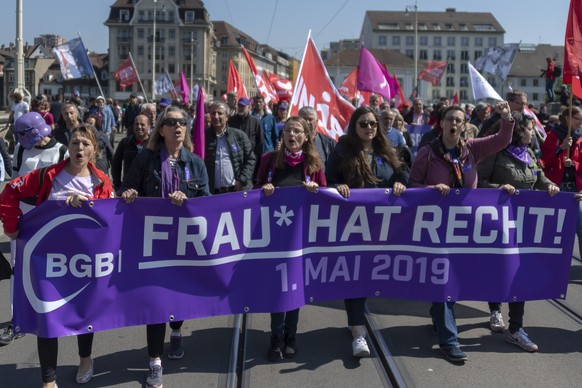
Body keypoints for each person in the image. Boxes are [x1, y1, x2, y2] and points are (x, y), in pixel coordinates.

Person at [0, 124, 113, 387]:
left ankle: (85, 359)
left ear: (93, 150)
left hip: (85, 263)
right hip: (49, 263)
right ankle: (48, 380)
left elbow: (109, 222)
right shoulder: (48, 176)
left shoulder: (102, 181)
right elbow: (9, 193)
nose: (79, 148)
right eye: (75, 143)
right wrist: (12, 228)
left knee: (85, 315)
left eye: (85, 144)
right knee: (47, 316)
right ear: (68, 148)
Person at [409, 102, 514, 363]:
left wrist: (506, 118)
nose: (454, 124)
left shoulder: (471, 149)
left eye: (459, 120)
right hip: (436, 227)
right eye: (450, 120)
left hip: (465, 227)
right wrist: (432, 190)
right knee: (445, 280)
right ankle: (449, 340)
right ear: (441, 123)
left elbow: (501, 140)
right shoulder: (428, 152)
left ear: (464, 125)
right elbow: (413, 184)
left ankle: (439, 319)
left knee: (451, 277)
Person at [120, 105, 210, 388]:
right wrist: (129, 193)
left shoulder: (195, 162)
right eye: (171, 122)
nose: (177, 126)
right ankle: (154, 362)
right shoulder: (145, 159)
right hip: (152, 245)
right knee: (156, 304)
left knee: (179, 299)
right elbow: (124, 188)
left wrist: (191, 201)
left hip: (183, 244)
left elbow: (207, 202)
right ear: (161, 130)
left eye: (182, 122)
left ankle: (178, 329)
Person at [325, 106, 408, 358]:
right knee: (356, 276)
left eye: (373, 123)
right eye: (364, 124)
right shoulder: (342, 151)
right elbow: (328, 180)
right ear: (354, 126)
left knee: (377, 274)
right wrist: (338, 186)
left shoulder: (387, 149)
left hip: (384, 227)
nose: (370, 128)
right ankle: (358, 332)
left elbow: (402, 170)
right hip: (354, 225)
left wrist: (400, 181)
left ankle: (356, 322)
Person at [477, 113, 559, 352]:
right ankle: (494, 310)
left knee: (518, 275)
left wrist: (550, 187)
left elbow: (539, 178)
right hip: (499, 224)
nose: (533, 133)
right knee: (498, 270)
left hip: (524, 226)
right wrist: (499, 188)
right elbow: (477, 183)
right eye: (530, 130)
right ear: (518, 132)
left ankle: (516, 328)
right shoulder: (495, 153)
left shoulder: (530, 155)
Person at [255, 116, 326, 361]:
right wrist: (264, 189)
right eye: (288, 131)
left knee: (295, 287)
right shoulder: (269, 160)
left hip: (301, 239)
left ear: (306, 137)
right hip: (275, 238)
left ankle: (291, 337)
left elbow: (325, 200)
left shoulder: (314, 164)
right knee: (278, 287)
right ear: (282, 136)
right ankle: (275, 338)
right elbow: (253, 195)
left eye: (297, 132)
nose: (292, 136)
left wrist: (316, 193)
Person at [540, 106, 582, 257]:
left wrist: (575, 164)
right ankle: (556, 264)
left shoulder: (580, 138)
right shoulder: (553, 136)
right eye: (577, 118)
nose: (580, 122)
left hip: (577, 190)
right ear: (567, 118)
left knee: (580, 227)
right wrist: (562, 148)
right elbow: (543, 162)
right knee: (558, 230)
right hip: (557, 189)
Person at [204, 101, 256, 194]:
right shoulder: (203, 137)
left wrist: (242, 180)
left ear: (227, 116)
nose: (216, 116)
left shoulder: (239, 136)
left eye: (220, 113)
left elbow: (251, 159)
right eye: (213, 113)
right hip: (212, 193)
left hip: (236, 191)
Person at [111, 114, 151, 194]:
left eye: (142, 124)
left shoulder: (154, 144)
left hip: (149, 190)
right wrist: (118, 187)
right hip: (128, 190)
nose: (139, 127)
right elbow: (116, 165)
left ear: (149, 126)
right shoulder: (125, 142)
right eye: (136, 124)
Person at [228, 97, 263, 165]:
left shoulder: (255, 122)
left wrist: (256, 156)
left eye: (243, 106)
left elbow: (260, 141)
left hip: (250, 158)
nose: (241, 108)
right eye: (239, 106)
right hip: (235, 158)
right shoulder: (232, 120)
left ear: (249, 107)